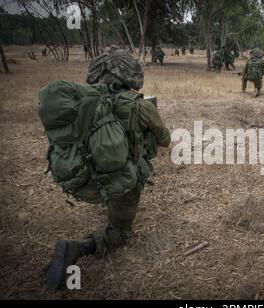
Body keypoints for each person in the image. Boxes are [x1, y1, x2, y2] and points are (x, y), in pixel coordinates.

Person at [46, 48, 171, 291]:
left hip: (86, 179)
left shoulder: (83, 104)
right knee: (121, 235)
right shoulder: (139, 106)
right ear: (129, 75)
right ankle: (77, 248)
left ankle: (110, 201)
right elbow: (164, 139)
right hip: (121, 182)